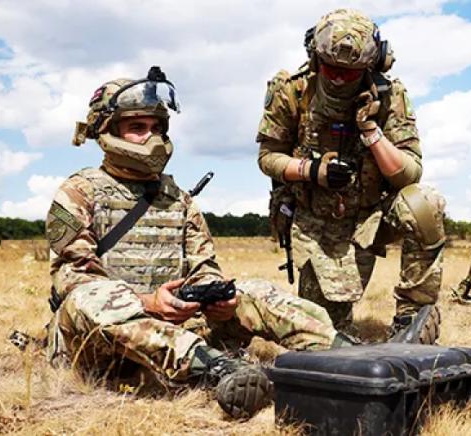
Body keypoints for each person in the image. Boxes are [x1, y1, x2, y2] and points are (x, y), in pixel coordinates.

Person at [45, 66, 347, 419]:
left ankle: (347, 355)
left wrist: (215, 297)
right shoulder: (78, 192)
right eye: (138, 128)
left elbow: (204, 267)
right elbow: (73, 280)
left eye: (157, 127)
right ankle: (218, 371)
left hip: (175, 330)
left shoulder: (178, 199)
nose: (152, 137)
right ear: (107, 131)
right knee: (89, 297)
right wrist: (148, 303)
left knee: (254, 292)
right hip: (99, 345)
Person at [256, 9, 446, 343]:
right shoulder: (291, 90)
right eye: (332, 69)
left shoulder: (390, 96)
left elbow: (410, 173)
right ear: (315, 58)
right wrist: (312, 171)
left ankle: (412, 321)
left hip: (370, 217)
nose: (340, 79)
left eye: (351, 72)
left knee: (424, 204)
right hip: (317, 221)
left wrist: (371, 131)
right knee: (328, 336)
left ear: (372, 66)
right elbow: (268, 157)